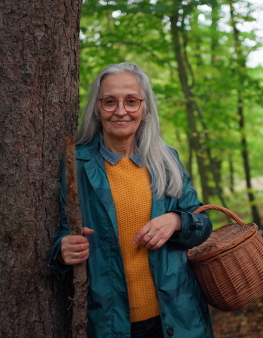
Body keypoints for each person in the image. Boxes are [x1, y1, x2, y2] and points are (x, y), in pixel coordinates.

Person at [49, 62, 214, 337]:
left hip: (178, 316)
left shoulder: (166, 160)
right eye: (110, 102)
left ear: (145, 107)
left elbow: (202, 225)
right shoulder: (76, 164)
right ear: (97, 109)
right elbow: (61, 233)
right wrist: (62, 250)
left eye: (132, 101)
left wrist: (175, 220)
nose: (121, 111)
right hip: (110, 322)